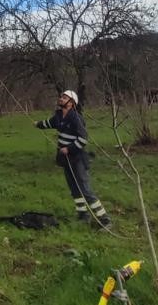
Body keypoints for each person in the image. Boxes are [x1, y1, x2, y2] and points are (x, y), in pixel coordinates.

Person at [35, 90, 111, 228]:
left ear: (72, 103)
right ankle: (83, 216)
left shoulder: (76, 118)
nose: (61, 99)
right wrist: (37, 124)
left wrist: (69, 148)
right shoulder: (58, 116)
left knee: (85, 190)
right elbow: (48, 123)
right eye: (61, 97)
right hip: (66, 160)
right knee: (74, 189)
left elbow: (83, 139)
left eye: (65, 98)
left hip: (77, 159)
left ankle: (104, 219)